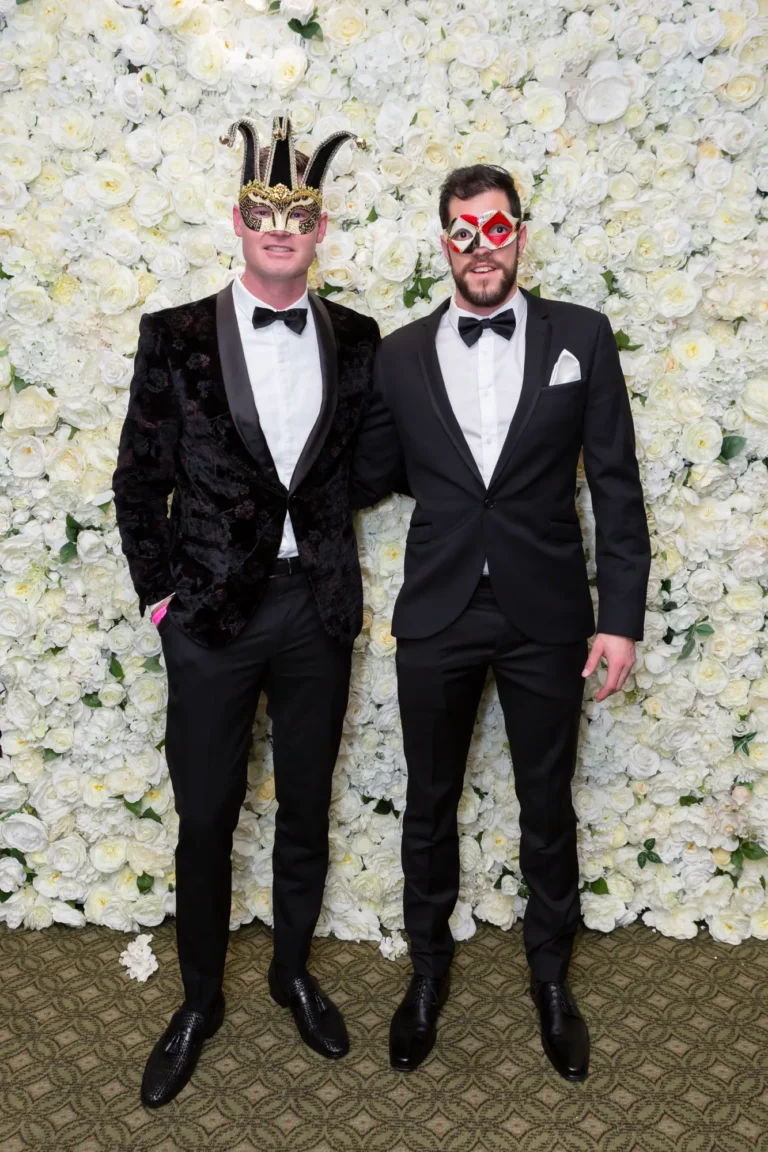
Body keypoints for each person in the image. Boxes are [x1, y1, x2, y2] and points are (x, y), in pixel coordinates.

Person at [352, 163, 651, 1080]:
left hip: (548, 613)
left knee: (545, 804)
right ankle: (427, 975)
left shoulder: (582, 338)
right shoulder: (397, 355)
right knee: (429, 805)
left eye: (495, 227)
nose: (479, 247)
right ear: (443, 241)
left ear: (520, 231)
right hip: (439, 610)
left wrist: (622, 618)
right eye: (460, 231)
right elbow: (373, 471)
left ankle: (552, 979)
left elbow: (614, 482)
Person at [113, 114, 380, 1108]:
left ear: (319, 231)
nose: (281, 228)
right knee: (206, 819)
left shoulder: (358, 340)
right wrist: (160, 602)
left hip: (314, 611)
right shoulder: (173, 334)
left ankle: (293, 973)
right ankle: (198, 1003)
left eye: (299, 214)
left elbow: (371, 461)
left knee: (306, 807)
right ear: (238, 220)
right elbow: (137, 482)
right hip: (210, 624)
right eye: (265, 212)